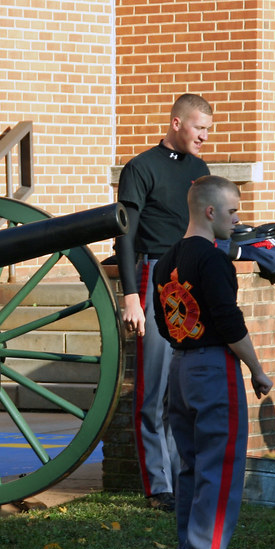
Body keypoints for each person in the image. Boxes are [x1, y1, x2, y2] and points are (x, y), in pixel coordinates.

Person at [152, 175, 273, 549]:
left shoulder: (165, 261)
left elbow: (164, 322)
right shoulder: (213, 259)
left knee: (190, 468)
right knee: (219, 470)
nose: (237, 220)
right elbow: (228, 320)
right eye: (232, 211)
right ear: (210, 211)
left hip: (180, 369)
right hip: (213, 368)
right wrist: (257, 369)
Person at [115, 93, 213, 511]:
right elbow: (123, 234)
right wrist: (131, 296)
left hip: (193, 278)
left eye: (208, 130)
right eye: (199, 128)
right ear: (176, 123)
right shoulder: (140, 168)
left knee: (183, 391)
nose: (205, 137)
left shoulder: (200, 170)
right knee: (152, 391)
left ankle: (180, 480)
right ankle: (158, 488)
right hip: (154, 277)